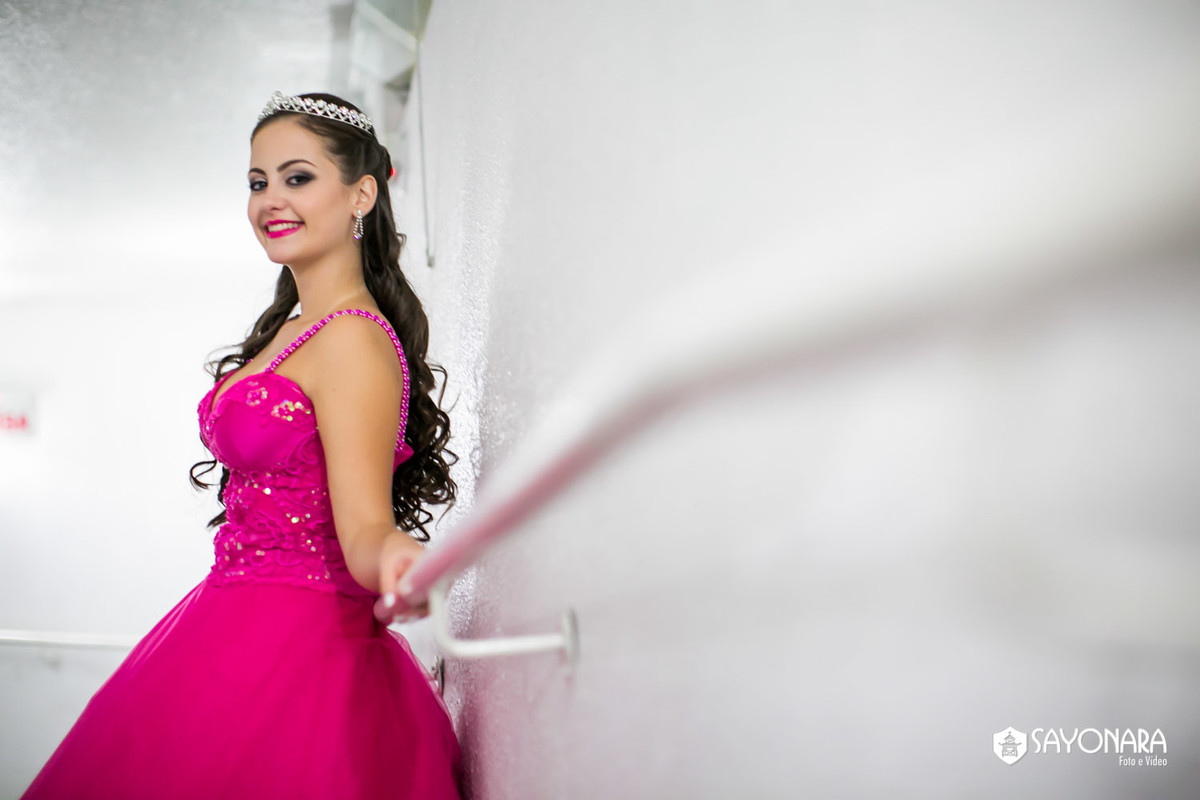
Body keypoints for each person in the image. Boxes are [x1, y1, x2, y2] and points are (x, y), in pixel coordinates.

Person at [21, 91, 464, 799]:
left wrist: (399, 560)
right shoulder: (293, 329)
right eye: (258, 182)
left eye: (297, 177)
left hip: (300, 646)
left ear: (362, 194)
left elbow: (365, 531)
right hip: (227, 619)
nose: (269, 201)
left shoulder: (353, 339)